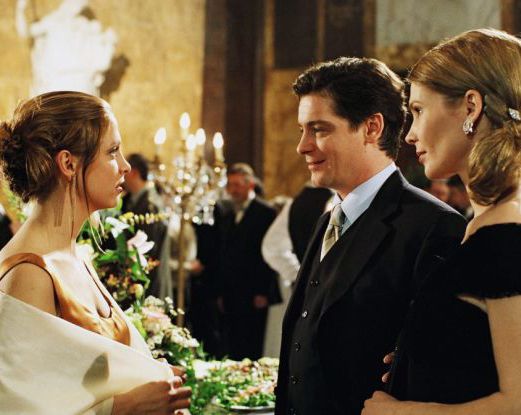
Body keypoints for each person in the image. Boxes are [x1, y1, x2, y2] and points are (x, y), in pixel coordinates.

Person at [275, 57, 466, 415]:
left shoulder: (435, 227)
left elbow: (439, 367)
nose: (302, 146)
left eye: (319, 129)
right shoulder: (327, 219)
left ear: (371, 128)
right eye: (302, 130)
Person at [0, 91, 191, 414]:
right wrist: (125, 407)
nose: (125, 166)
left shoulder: (75, 255)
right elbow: (18, 407)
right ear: (68, 163)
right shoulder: (29, 273)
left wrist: (149, 376)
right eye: (113, 151)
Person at [363, 28, 521, 415]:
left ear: (471, 107)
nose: (410, 135)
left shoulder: (506, 230)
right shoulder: (491, 221)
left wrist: (400, 412)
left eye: (418, 111)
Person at [215, 162, 281, 360]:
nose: (232, 190)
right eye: (230, 185)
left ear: (250, 185)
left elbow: (267, 254)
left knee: (252, 343)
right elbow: (224, 253)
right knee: (232, 343)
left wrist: (263, 291)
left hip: (254, 291)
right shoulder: (228, 212)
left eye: (237, 185)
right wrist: (221, 291)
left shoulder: (266, 212)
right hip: (231, 291)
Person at [122, 153, 168, 299]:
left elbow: (150, 250)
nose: (121, 175)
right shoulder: (129, 199)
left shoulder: (150, 205)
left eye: (125, 171)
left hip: (147, 281)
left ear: (134, 173)